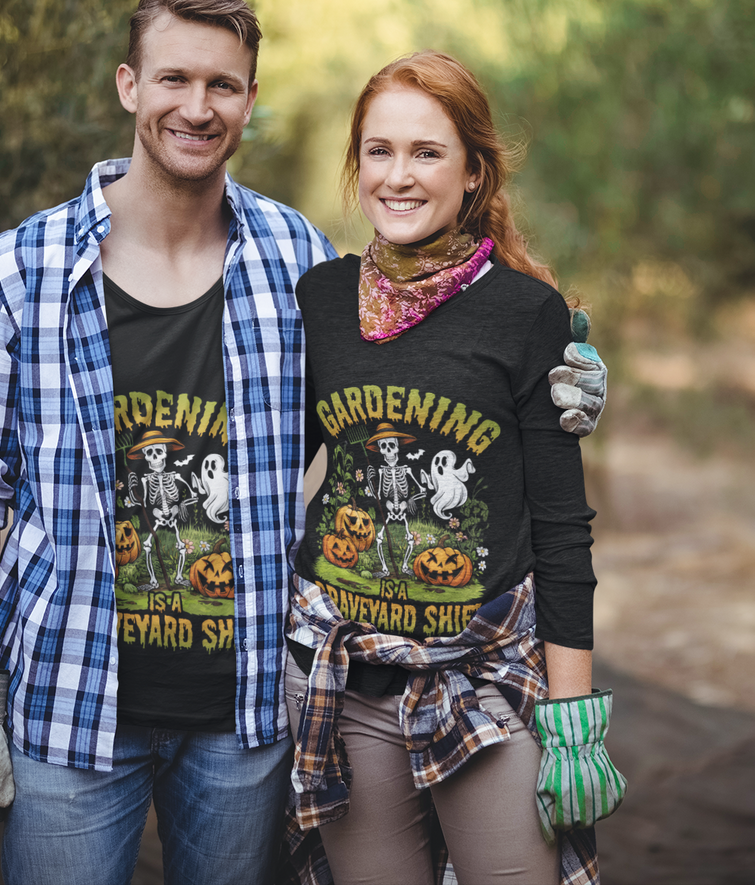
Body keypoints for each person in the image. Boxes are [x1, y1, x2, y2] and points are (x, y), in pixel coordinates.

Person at [0, 0, 608, 885]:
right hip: (68, 703)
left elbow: (402, 381)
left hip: (249, 722)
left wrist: (553, 389)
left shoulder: (293, 259)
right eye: (173, 79)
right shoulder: (18, 269)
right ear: (129, 86)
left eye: (222, 86)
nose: (196, 107)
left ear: (250, 101)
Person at [284, 52, 625, 885]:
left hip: (487, 687)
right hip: (347, 679)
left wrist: (572, 712)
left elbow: (559, 526)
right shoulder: (320, 301)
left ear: (473, 172)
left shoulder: (525, 314)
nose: (397, 176)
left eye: (427, 153)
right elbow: (268, 459)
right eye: (378, 150)